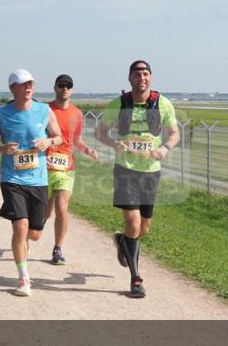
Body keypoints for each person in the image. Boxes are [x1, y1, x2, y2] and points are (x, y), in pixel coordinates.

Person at [95, 60, 180, 298]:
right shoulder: (118, 104)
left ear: (150, 77)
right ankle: (135, 278)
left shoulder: (162, 104)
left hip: (151, 170)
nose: (142, 77)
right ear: (129, 78)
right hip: (126, 169)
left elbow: (174, 133)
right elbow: (100, 132)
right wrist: (114, 143)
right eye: (137, 74)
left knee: (144, 228)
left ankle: (122, 241)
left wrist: (165, 148)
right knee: (133, 223)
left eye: (146, 73)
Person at [0, 69, 63, 296]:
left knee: (34, 234)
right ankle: (24, 278)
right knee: (19, 227)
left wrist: (48, 141)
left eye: (31, 84)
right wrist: (2, 149)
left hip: (38, 179)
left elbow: (59, 137)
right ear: (12, 88)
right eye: (22, 84)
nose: (28, 88)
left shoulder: (44, 110)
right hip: (12, 178)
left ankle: (24, 243)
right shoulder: (0, 114)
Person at [45, 74, 98, 265]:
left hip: (67, 168)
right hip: (45, 167)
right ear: (55, 88)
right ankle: (29, 234)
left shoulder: (77, 114)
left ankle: (57, 249)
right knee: (44, 213)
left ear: (72, 90)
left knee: (61, 208)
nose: (65, 89)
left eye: (68, 86)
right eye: (61, 85)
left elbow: (77, 140)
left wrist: (88, 149)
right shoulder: (45, 110)